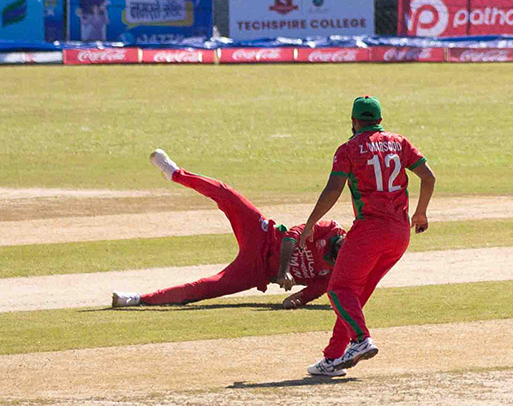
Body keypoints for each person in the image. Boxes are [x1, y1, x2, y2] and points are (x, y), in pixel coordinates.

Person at [299, 96, 435, 377]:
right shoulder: (399, 142)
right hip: (400, 234)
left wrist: (311, 223)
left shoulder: (349, 148)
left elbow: (333, 188)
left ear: (354, 121)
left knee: (339, 289)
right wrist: (420, 214)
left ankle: (361, 340)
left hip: (370, 232)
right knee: (355, 297)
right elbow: (429, 176)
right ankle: (333, 358)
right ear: (379, 120)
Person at [111, 150, 346, 309]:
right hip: (264, 235)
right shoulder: (330, 228)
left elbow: (309, 293)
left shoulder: (336, 273)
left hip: (258, 271)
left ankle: (138, 299)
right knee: (226, 194)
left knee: (207, 288)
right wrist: (285, 270)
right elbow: (291, 238)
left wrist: (294, 301)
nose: (336, 258)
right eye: (340, 250)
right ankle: (175, 173)